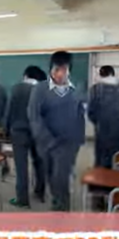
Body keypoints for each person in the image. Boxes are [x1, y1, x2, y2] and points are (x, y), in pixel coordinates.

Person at [28, 51, 85, 211]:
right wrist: (47, 140)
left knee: (62, 175)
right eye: (56, 69)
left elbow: (80, 114)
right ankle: (57, 200)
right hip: (47, 142)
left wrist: (79, 139)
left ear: (69, 70)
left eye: (64, 70)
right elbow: (34, 116)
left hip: (68, 142)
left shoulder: (76, 89)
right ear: (50, 69)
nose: (60, 74)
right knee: (51, 175)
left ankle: (62, 207)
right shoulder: (40, 89)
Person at [5, 65, 47, 208]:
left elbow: (9, 111)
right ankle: (40, 193)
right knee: (39, 164)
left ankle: (22, 200)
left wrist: (6, 130)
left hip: (19, 133)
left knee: (21, 166)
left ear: (26, 75)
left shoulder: (16, 88)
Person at [88, 65, 119, 168]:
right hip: (118, 129)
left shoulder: (95, 89)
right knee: (116, 157)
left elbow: (91, 111)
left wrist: (97, 122)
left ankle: (100, 174)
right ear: (113, 74)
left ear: (100, 74)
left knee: (100, 157)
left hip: (101, 128)